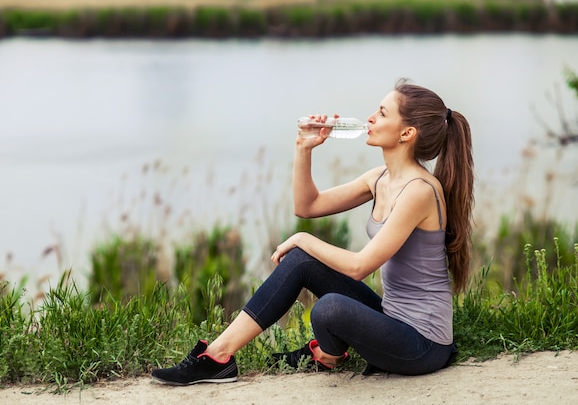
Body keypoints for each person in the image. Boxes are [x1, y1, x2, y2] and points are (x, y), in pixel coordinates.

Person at [151, 79, 474, 385]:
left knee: (330, 307)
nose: (370, 118)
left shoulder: (419, 190)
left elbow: (359, 267)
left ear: (407, 133)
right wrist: (304, 149)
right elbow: (308, 206)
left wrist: (303, 238)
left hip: (422, 346)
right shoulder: (379, 178)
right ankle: (218, 356)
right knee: (302, 261)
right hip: (391, 319)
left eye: (382, 113)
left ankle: (327, 354)